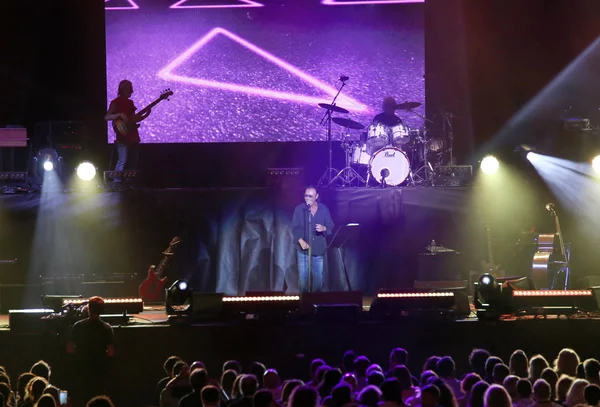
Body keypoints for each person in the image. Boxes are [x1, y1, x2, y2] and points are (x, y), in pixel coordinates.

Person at [66, 296, 115, 405]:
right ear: (102, 310)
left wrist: (80, 354)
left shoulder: (78, 326)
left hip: (82, 370)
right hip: (99, 371)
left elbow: (69, 348)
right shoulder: (106, 328)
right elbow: (111, 352)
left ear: (88, 308)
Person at [291, 186, 334, 293]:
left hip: (318, 248)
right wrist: (300, 240)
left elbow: (330, 226)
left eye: (310, 196)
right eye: (306, 195)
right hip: (303, 250)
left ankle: (316, 303)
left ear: (316, 197)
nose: (308, 198)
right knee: (303, 278)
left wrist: (324, 228)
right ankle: (304, 304)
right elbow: (294, 228)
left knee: (318, 279)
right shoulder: (299, 209)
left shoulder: (323, 209)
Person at [104, 79, 151, 173]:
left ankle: (130, 183)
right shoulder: (115, 102)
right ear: (123, 90)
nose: (132, 91)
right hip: (122, 136)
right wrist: (119, 115)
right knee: (122, 161)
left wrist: (146, 114)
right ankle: (117, 183)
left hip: (133, 135)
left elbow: (133, 120)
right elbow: (107, 117)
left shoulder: (130, 103)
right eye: (130, 89)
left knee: (133, 162)